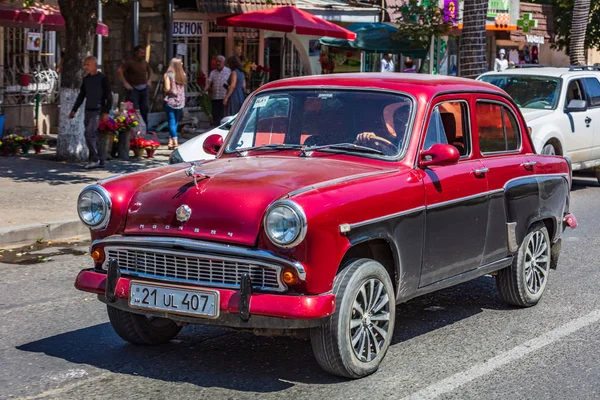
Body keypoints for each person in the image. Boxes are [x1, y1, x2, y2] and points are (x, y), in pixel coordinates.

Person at [69, 56, 112, 169]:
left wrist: (106, 111)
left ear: (94, 65)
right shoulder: (86, 79)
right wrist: (74, 109)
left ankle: (94, 159)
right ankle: (100, 159)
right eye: (85, 64)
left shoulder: (102, 78)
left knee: (89, 133)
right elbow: (81, 95)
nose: (86, 67)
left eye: (88, 64)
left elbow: (109, 96)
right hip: (88, 109)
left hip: (98, 110)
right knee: (92, 135)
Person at [117, 45, 153, 128]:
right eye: (140, 53)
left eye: (143, 53)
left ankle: (145, 127)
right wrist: (125, 83)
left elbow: (150, 70)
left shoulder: (144, 62)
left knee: (145, 108)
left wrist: (149, 80)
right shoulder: (129, 62)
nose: (142, 54)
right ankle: (135, 127)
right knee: (134, 109)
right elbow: (119, 71)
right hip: (134, 89)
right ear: (136, 53)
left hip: (144, 88)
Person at [163, 58, 187, 150]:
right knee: (176, 121)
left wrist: (165, 90)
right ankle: (170, 142)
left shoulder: (167, 75)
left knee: (171, 122)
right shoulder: (183, 75)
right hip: (180, 101)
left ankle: (175, 142)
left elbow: (167, 88)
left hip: (171, 101)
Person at [203, 55, 231, 126]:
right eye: (216, 61)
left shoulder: (228, 71)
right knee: (215, 114)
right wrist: (204, 90)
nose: (218, 63)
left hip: (224, 97)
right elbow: (209, 83)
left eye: (219, 61)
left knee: (223, 115)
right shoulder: (213, 72)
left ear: (223, 62)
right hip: (215, 97)